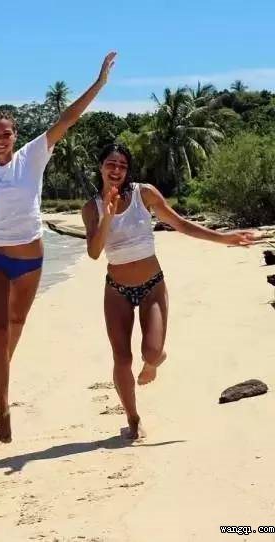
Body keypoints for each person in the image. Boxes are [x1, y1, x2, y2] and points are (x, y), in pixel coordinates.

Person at [0, 52, 117, 443]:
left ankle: (2, 370)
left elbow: (67, 119)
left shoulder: (32, 155)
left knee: (16, 325)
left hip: (30, 259)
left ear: (15, 135)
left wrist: (99, 83)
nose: (0, 140)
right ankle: (3, 406)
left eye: (6, 133)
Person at [81, 143, 256, 440]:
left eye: (122, 165)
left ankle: (153, 362)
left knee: (151, 352)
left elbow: (180, 224)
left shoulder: (144, 193)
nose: (116, 170)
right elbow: (95, 252)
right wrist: (107, 215)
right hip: (116, 289)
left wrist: (224, 238)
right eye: (111, 163)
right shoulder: (91, 208)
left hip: (152, 285)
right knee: (122, 359)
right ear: (100, 167)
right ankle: (133, 418)